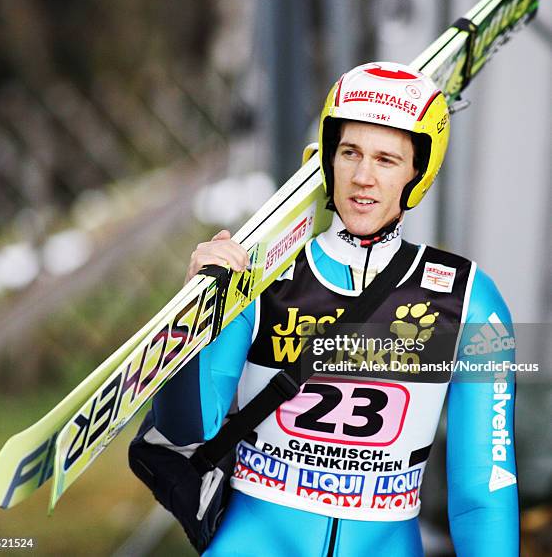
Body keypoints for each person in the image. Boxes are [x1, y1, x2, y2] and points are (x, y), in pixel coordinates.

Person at [146, 62, 519, 555]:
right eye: (349, 153)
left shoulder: (466, 298)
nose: (363, 177)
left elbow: (482, 495)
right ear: (327, 158)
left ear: (418, 171)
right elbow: (186, 428)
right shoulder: (261, 277)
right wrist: (197, 308)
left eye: (387, 159)